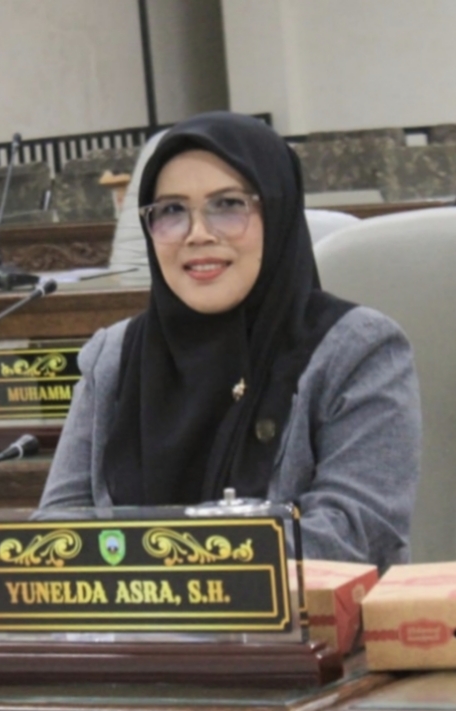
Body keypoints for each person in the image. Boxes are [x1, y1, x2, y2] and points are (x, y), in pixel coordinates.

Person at [39, 111, 421, 572]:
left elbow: (354, 537)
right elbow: (54, 535)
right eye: (172, 211)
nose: (198, 234)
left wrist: (162, 566)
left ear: (276, 213)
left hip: (297, 620)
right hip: (130, 620)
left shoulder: (358, 351)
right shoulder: (113, 357)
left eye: (227, 205)